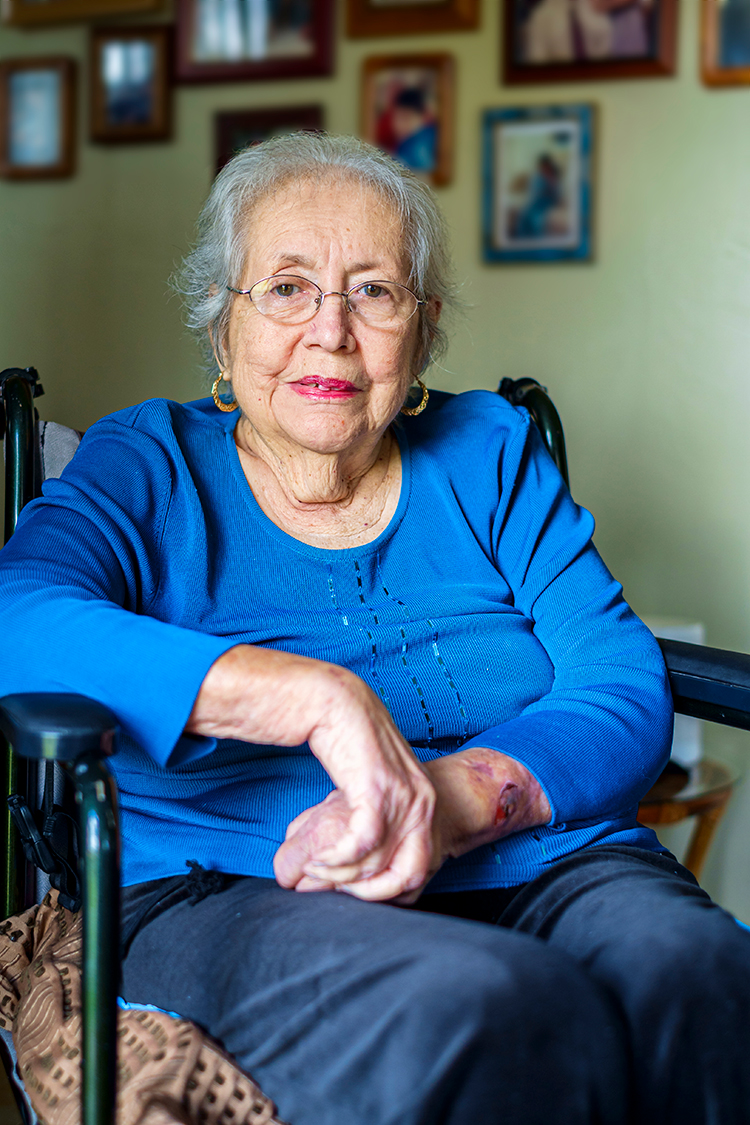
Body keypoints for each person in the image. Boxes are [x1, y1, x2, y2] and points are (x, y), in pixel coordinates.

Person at [0, 132, 748, 1125]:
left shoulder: (490, 452)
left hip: (538, 853)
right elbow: (18, 618)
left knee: (699, 973)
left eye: (376, 293)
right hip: (232, 880)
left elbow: (616, 680)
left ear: (423, 331)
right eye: (287, 288)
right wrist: (309, 697)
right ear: (224, 330)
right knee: (498, 1010)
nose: (332, 331)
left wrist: (449, 797)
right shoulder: (149, 463)